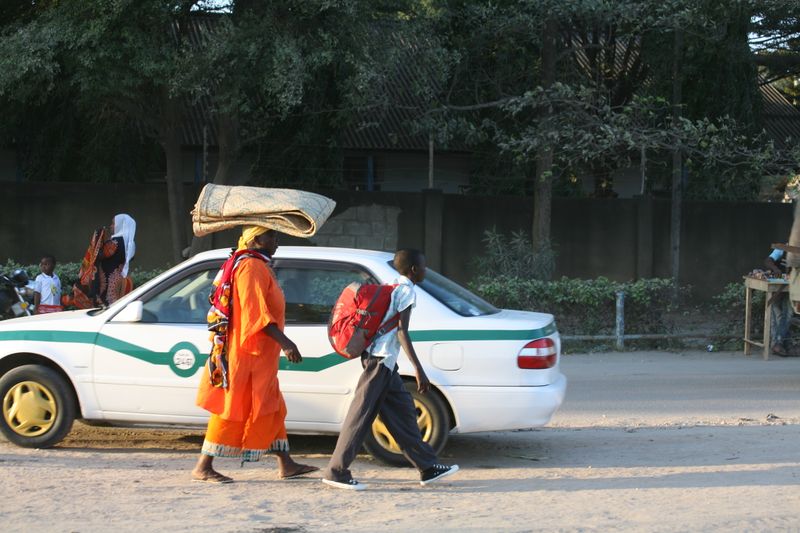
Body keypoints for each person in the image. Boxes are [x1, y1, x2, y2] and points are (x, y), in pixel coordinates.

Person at [322, 249, 459, 491]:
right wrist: (419, 369)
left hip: (382, 361)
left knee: (403, 411)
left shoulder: (392, 284)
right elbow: (401, 331)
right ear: (414, 270)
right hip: (379, 361)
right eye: (424, 267)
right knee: (361, 416)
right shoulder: (406, 291)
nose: (426, 270)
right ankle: (337, 471)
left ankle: (427, 467)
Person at [192, 226, 319, 483]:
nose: (276, 241)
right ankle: (203, 466)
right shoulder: (251, 267)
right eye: (271, 236)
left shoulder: (253, 264)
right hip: (247, 355)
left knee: (270, 405)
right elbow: (255, 314)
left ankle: (286, 463)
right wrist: (286, 342)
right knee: (233, 407)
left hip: (259, 355)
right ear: (256, 239)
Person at [765, 247, 794, 356]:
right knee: (779, 316)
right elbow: (768, 260)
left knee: (787, 315)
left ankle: (778, 344)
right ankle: (780, 344)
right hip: (778, 287)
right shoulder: (782, 249)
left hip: (792, 288)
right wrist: (775, 269)